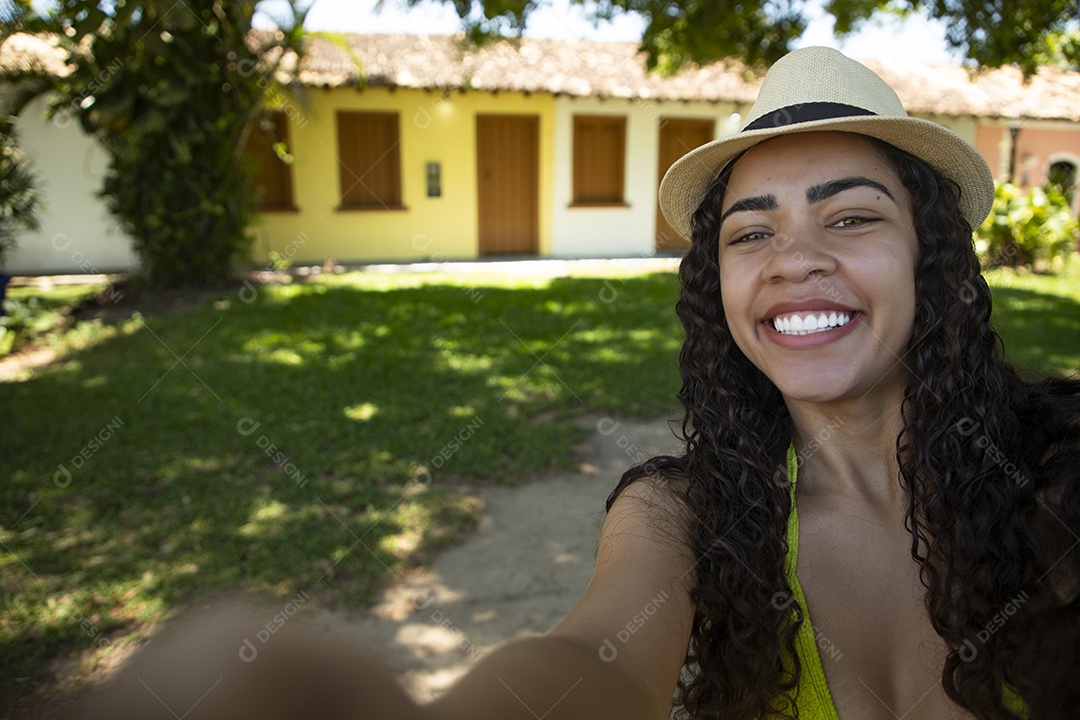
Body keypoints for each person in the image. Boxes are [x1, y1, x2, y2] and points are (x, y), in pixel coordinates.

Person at [73, 47, 1078, 720]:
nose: (795, 261)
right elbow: (592, 661)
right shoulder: (688, 512)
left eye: (850, 218)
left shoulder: (1055, 467)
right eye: (751, 233)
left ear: (932, 260)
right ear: (719, 285)